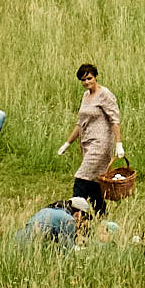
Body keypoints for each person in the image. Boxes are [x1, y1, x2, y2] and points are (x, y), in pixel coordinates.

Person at [58, 63, 122, 216]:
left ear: (95, 77)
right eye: (83, 80)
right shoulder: (86, 96)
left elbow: (115, 120)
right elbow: (80, 123)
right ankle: (102, 215)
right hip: (87, 142)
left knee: (81, 177)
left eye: (89, 78)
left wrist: (119, 143)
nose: (86, 82)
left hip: (101, 143)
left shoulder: (105, 94)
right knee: (93, 182)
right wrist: (67, 143)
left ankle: (75, 214)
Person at [14, 197, 91, 248]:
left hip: (18, 241)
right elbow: (69, 248)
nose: (83, 221)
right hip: (32, 246)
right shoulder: (69, 219)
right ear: (79, 213)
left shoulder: (44, 210)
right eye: (84, 216)